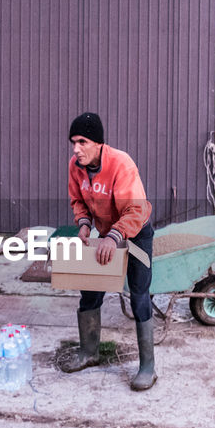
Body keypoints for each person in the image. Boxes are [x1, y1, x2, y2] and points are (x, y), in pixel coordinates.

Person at [59, 112, 157, 390]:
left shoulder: (121, 164)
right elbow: (77, 200)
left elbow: (135, 209)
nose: (76, 148)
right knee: (89, 292)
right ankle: (90, 353)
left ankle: (148, 367)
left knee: (139, 295)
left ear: (99, 143)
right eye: (73, 142)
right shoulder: (75, 166)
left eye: (82, 142)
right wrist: (84, 224)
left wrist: (113, 236)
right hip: (102, 233)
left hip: (136, 233)